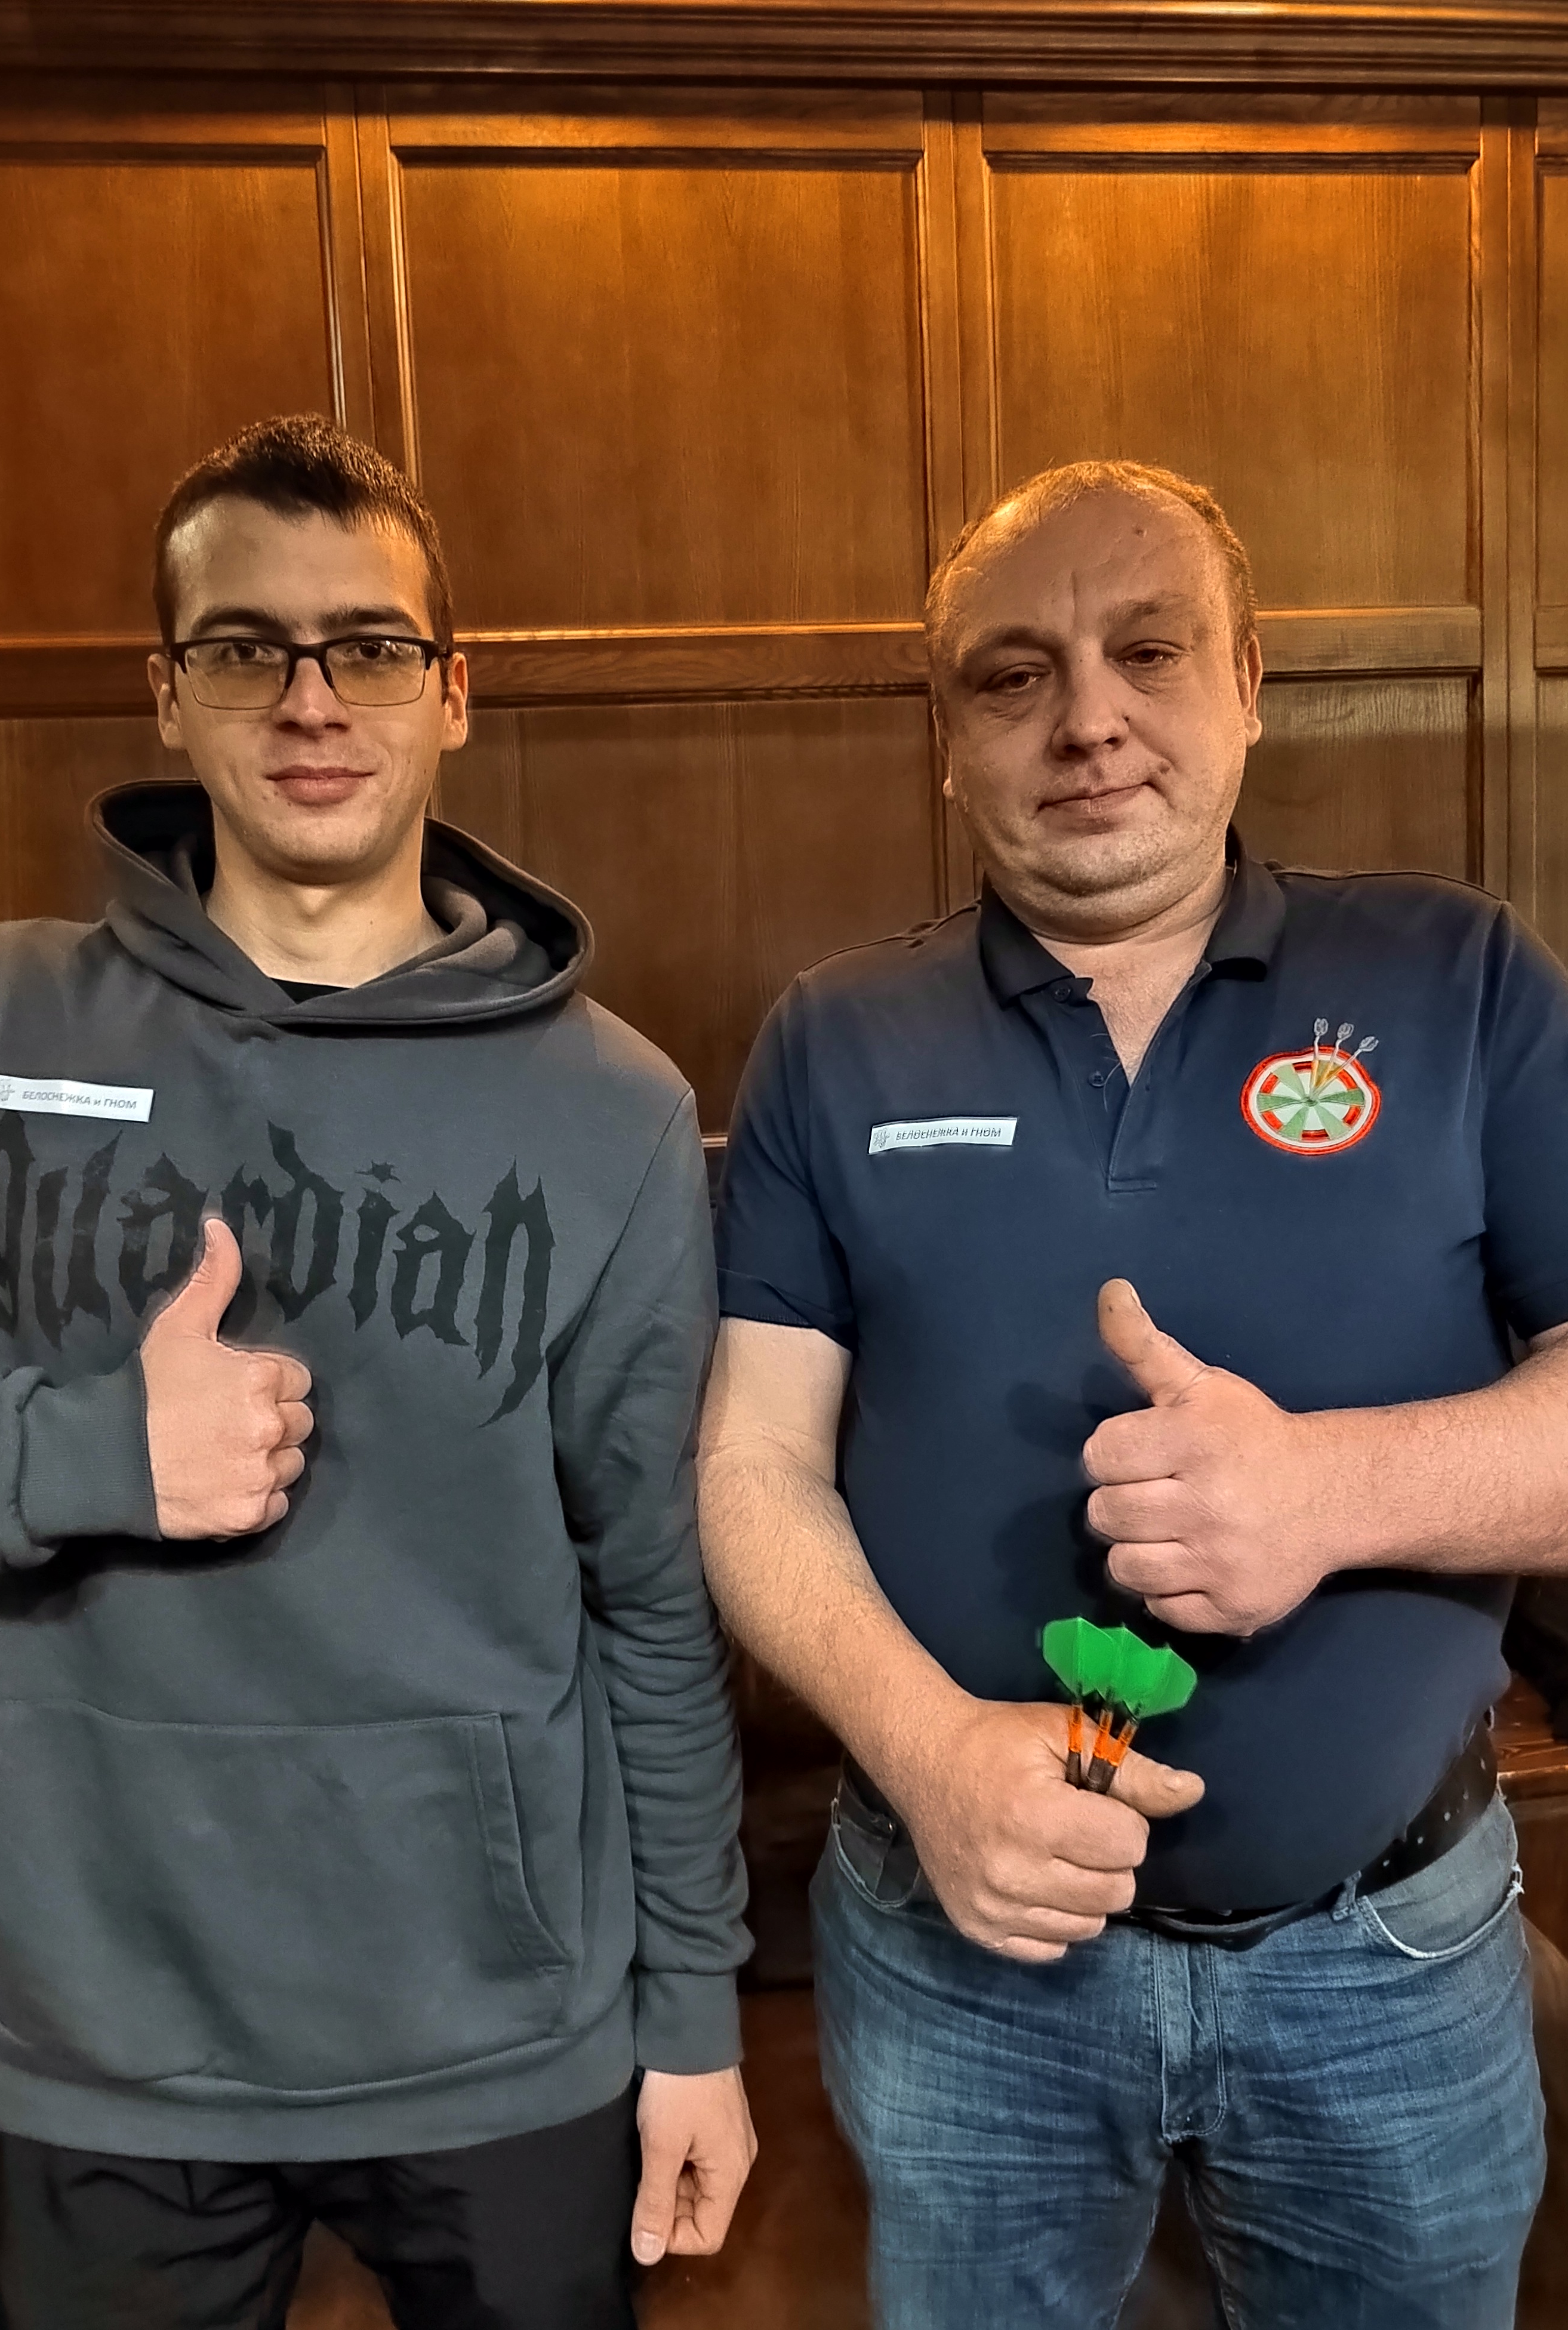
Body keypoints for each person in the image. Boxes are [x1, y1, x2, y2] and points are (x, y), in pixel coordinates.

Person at [0, 414, 753, 2329]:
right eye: (246, 647)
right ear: (169, 693)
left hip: (504, 2038)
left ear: (452, 694)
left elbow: (654, 1599)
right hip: (86, 2041)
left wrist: (694, 2013)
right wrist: (87, 1450)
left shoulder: (615, 1111)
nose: (312, 699)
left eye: (371, 647)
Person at [698, 457, 1566, 2329]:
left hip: (1388, 1959)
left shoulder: (1463, 980)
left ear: (1249, 681)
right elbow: (751, 1464)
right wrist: (929, 1754)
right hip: (958, 1955)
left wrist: (1330, 1494)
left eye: (1147, 651)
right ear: (950, 741)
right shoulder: (835, 1040)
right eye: (1014, 675)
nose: (1086, 719)